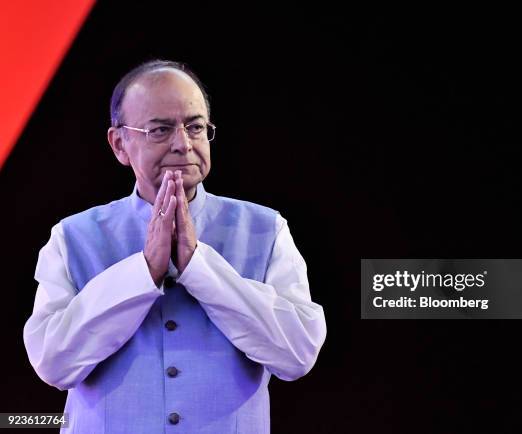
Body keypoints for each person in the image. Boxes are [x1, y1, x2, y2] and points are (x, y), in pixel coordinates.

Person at [23, 60, 326, 434]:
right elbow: (54, 364)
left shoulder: (266, 229)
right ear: (119, 144)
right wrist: (142, 272)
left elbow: (297, 355)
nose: (183, 144)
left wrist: (200, 268)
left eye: (195, 127)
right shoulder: (72, 237)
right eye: (160, 130)